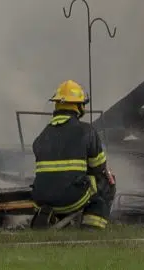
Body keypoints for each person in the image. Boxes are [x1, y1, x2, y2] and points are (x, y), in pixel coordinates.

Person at [30, 79, 115, 227]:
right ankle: (92, 227)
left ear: (57, 104)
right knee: (107, 181)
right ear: (78, 106)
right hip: (71, 199)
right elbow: (99, 168)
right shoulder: (86, 131)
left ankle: (49, 216)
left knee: (61, 182)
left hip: (40, 199)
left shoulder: (42, 136)